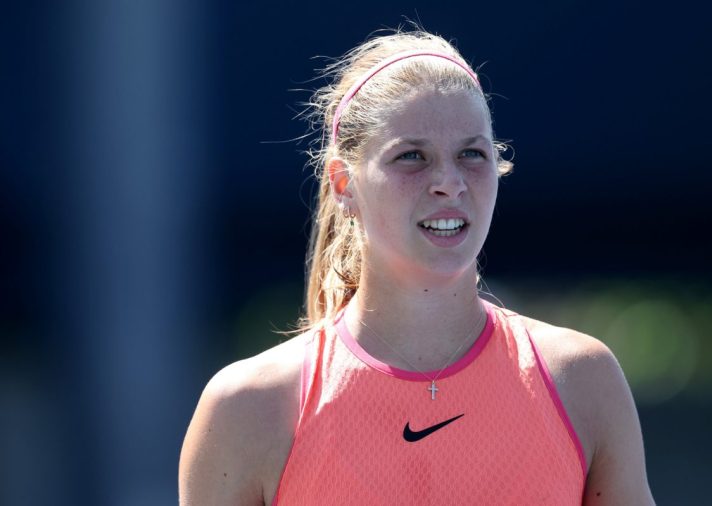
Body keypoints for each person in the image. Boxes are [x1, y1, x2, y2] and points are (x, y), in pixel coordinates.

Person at [179, 29, 655, 505]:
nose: (449, 182)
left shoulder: (581, 381)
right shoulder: (248, 409)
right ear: (344, 183)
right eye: (411, 157)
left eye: (472, 154)